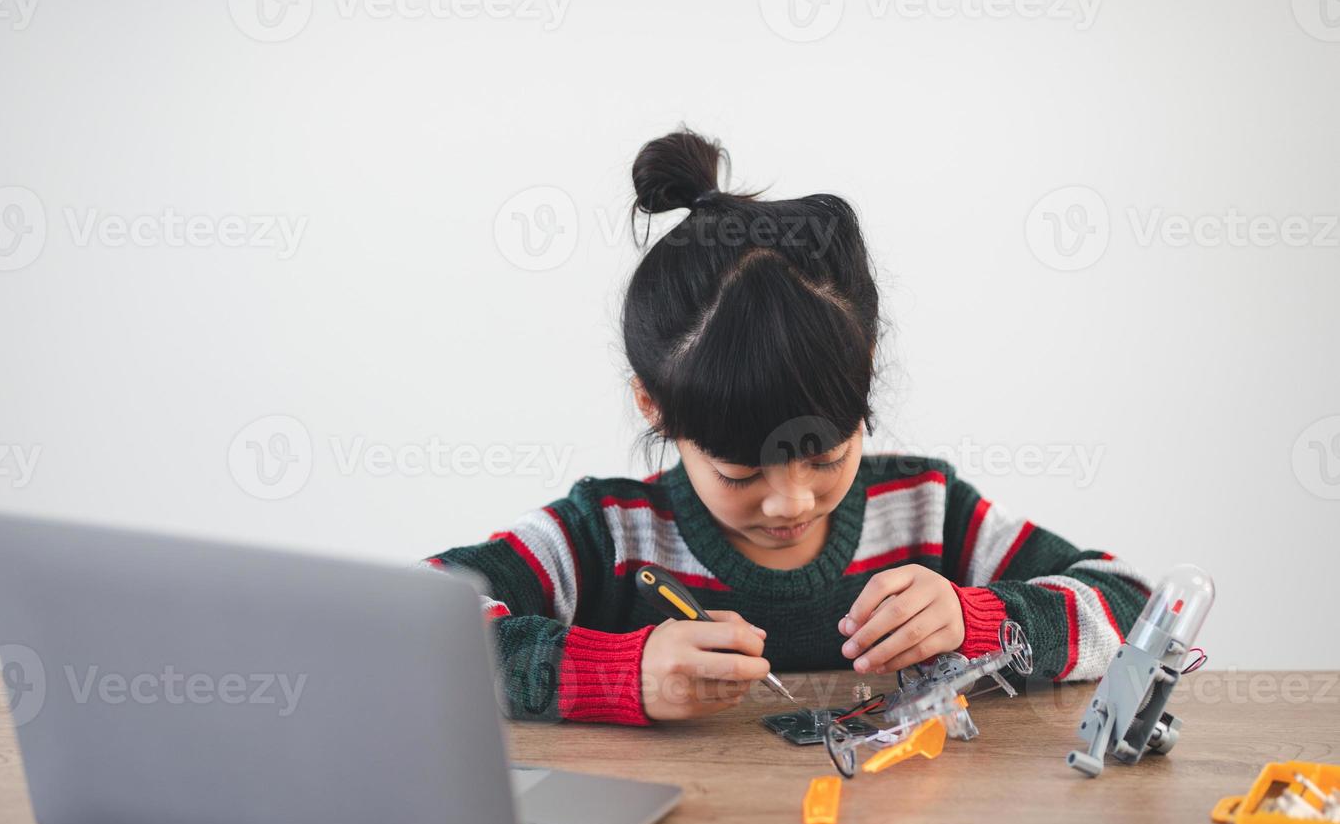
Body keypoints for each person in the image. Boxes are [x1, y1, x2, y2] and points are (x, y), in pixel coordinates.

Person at [426, 129, 1149, 725]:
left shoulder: (926, 512)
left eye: (826, 458)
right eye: (741, 474)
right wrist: (616, 673)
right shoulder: (611, 536)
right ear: (654, 406)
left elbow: (1131, 604)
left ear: (865, 372)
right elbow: (415, 626)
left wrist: (981, 619)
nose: (792, 503)